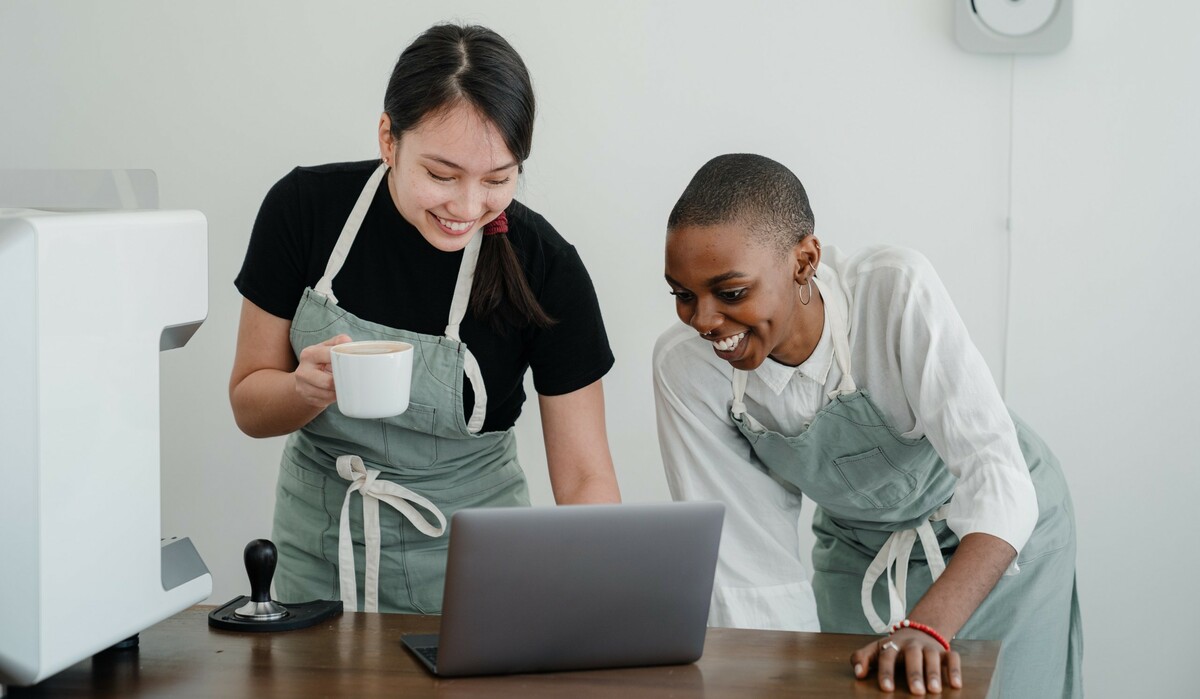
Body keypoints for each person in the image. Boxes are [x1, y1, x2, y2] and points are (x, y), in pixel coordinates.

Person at [653, 154, 1080, 696]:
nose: (705, 321)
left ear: (804, 261)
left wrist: (928, 626)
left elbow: (996, 476)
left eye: (731, 293)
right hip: (860, 551)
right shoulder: (686, 368)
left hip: (1000, 538)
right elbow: (750, 567)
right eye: (683, 295)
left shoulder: (892, 291)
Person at [229, 24, 621, 615]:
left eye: (498, 179)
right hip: (320, 550)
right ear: (389, 138)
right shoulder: (304, 210)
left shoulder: (546, 267)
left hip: (479, 567)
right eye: (441, 175)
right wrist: (302, 390)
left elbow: (586, 478)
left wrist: (608, 608)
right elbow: (247, 403)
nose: (467, 208)